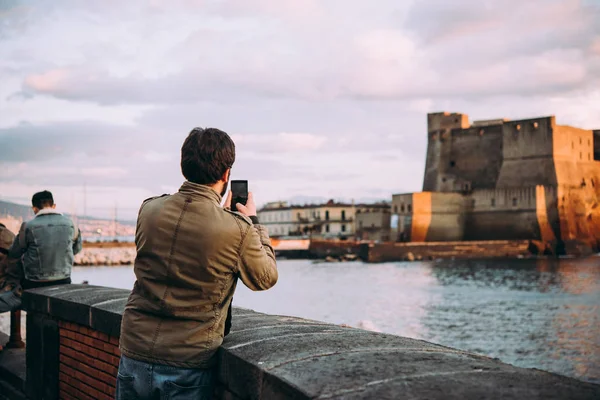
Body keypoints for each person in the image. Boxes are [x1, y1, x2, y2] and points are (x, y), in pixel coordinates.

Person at [117, 128, 278, 400]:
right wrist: (252, 223)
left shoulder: (149, 210)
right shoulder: (237, 229)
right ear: (226, 174)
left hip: (134, 350)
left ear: (184, 166)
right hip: (188, 361)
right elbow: (265, 278)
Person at [0, 191, 82, 313]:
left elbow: (15, 253)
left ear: (34, 208)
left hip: (34, 283)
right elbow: (76, 249)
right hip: (64, 280)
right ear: (54, 206)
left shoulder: (27, 226)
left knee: (7, 300)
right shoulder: (71, 225)